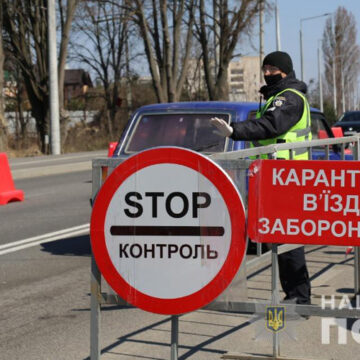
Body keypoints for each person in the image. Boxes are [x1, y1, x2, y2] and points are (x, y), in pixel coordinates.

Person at [210, 51, 311, 305]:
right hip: (277, 177)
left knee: (288, 239)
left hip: (289, 178)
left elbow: (270, 126)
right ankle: (295, 295)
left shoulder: (289, 98)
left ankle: (299, 298)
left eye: (272, 69)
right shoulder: (277, 96)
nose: (267, 73)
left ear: (285, 71)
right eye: (265, 68)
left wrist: (235, 131)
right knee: (280, 237)